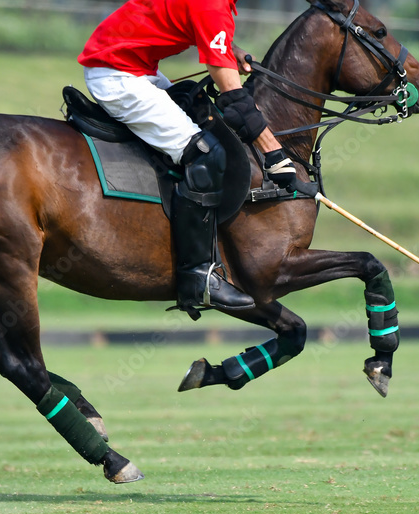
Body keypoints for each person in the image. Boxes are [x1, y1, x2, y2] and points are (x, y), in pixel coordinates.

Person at [78, 0, 297, 311]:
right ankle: (197, 277)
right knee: (206, 155)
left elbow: (191, 20)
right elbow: (236, 102)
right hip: (119, 77)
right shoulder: (213, 6)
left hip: (135, 69)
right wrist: (274, 154)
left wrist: (229, 49)